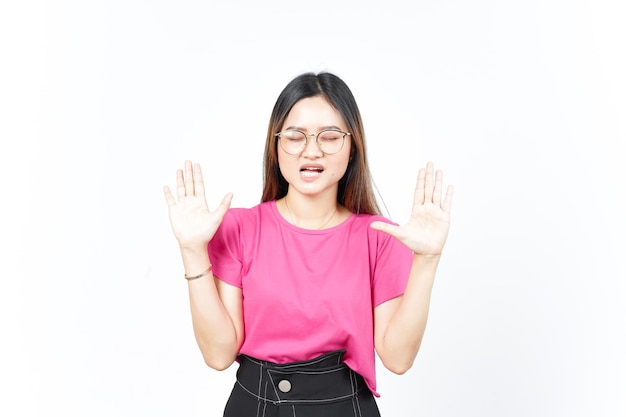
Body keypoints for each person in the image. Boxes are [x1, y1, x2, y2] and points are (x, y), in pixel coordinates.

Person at [163, 72, 453, 417]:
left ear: (352, 148)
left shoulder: (379, 237)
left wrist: (428, 259)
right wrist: (193, 251)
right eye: (295, 136)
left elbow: (398, 358)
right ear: (276, 146)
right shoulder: (239, 228)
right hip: (255, 406)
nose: (311, 150)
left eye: (329, 137)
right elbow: (218, 355)